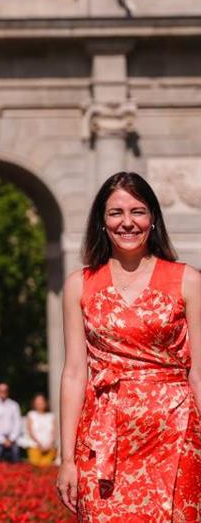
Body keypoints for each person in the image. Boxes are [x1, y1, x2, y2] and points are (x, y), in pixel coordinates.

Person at [56, 172, 201, 518]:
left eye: (137, 211)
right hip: (103, 439)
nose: (127, 223)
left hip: (175, 435)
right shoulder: (79, 285)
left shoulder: (189, 280)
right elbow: (75, 373)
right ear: (101, 222)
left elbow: (199, 371)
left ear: (153, 219)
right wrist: (66, 459)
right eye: (115, 213)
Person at [0, 382, 23, 462]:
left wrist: (11, 439)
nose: (3, 392)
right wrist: (3, 440)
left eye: (5, 390)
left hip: (12, 438)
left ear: (8, 391)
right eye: (1, 390)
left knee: (16, 453)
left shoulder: (14, 405)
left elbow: (17, 423)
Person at [22, 394, 56, 467]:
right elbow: (30, 431)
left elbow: (54, 432)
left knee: (47, 468)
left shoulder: (51, 416)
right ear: (34, 404)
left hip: (49, 447)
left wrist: (49, 444)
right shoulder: (31, 414)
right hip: (34, 446)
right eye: (38, 403)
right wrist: (40, 444)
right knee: (36, 467)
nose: (40, 404)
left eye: (41, 402)